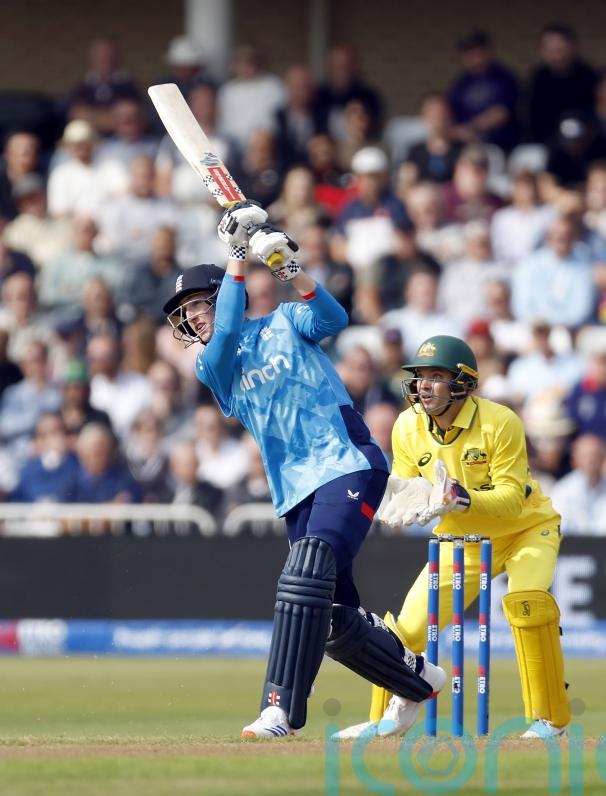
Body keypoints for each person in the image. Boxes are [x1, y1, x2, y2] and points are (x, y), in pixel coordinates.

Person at [162, 199, 446, 738]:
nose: (192, 318)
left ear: (223, 295)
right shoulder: (211, 364)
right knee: (332, 614)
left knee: (305, 570)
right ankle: (418, 680)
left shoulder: (285, 321)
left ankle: (281, 710)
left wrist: (290, 269)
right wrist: (237, 253)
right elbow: (226, 333)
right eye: (185, 313)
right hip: (294, 489)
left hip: (346, 463)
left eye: (198, 305)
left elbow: (334, 319)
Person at [335, 334, 571, 740]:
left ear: (462, 383)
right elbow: (409, 489)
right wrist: (401, 504)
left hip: (527, 529)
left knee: (528, 604)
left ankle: (549, 719)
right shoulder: (407, 426)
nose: (423, 385)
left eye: (436, 376)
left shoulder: (500, 422)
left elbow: (512, 500)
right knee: (406, 632)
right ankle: (384, 718)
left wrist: (460, 498)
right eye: (420, 376)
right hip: (462, 539)